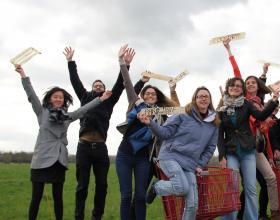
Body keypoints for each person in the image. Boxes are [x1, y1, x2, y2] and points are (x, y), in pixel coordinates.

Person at [14, 65, 111, 220]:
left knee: (58, 198)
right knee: (36, 198)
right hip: (41, 160)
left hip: (59, 160)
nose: (58, 99)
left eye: (61, 97)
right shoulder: (42, 112)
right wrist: (23, 75)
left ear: (64, 100)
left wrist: (101, 99)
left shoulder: (67, 116)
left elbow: (83, 110)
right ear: (50, 98)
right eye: (55, 96)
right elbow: (31, 95)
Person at [63, 46, 133, 220]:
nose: (98, 87)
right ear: (92, 89)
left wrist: (125, 64)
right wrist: (70, 62)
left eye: (101, 86)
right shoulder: (85, 97)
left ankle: (97, 217)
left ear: (104, 89)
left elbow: (120, 85)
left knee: (102, 186)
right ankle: (79, 217)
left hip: (101, 149)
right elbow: (75, 81)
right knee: (82, 186)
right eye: (96, 85)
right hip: (84, 148)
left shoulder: (109, 100)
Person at [115, 45, 179, 220]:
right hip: (125, 155)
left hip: (144, 158)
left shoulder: (160, 114)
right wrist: (122, 62)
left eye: (154, 94)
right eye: (147, 93)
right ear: (142, 95)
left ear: (157, 98)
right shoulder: (135, 104)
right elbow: (127, 83)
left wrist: (173, 89)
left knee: (141, 197)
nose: (150, 95)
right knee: (126, 195)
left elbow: (178, 110)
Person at [138, 86, 219, 220]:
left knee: (193, 204)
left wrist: (200, 164)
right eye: (200, 96)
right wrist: (150, 123)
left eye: (206, 96)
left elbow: (210, 148)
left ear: (210, 100)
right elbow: (164, 133)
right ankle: (156, 187)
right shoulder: (182, 114)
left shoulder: (214, 123)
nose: (203, 98)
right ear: (195, 99)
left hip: (190, 164)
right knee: (182, 188)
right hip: (170, 156)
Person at [223, 38, 280, 220]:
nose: (249, 85)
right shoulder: (243, 101)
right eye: (246, 84)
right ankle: (239, 215)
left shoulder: (258, 105)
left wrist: (270, 157)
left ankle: (271, 213)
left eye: (252, 83)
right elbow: (237, 74)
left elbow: (263, 133)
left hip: (254, 146)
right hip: (238, 146)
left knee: (262, 182)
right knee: (242, 186)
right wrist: (229, 51)